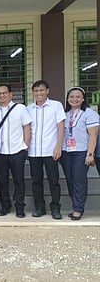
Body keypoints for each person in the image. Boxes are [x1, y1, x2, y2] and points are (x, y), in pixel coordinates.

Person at [0, 84, 32, 218]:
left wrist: (25, 146)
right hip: (0, 151)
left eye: (4, 93)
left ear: (10, 94)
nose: (2, 95)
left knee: (19, 180)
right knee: (2, 180)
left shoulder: (20, 109)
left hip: (18, 150)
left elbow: (26, 127)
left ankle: (19, 207)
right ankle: (5, 206)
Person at [27, 80, 65, 219]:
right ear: (33, 93)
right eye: (36, 91)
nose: (39, 93)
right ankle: (39, 208)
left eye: (41, 90)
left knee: (53, 181)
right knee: (36, 181)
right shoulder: (28, 109)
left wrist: (58, 146)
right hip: (34, 151)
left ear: (47, 91)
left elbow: (61, 126)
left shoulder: (56, 106)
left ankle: (55, 208)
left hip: (51, 150)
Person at [60, 87, 98, 220]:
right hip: (66, 152)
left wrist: (90, 153)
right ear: (67, 99)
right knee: (70, 180)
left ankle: (78, 208)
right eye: (71, 97)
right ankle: (75, 205)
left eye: (77, 96)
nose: (74, 99)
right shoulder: (64, 113)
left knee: (79, 180)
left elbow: (93, 135)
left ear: (83, 98)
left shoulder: (89, 113)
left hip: (81, 152)